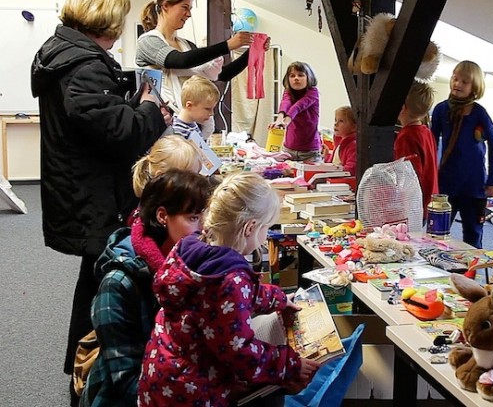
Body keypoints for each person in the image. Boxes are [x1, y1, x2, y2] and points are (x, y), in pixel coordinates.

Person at [30, 0, 169, 402]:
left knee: (93, 284)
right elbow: (120, 134)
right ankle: (90, 376)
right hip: (92, 195)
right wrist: (149, 109)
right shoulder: (84, 66)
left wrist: (126, 98)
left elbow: (94, 120)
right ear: (105, 23)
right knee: (101, 287)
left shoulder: (62, 55)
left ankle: (83, 368)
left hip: (80, 188)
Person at [138, 172, 320, 406]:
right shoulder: (231, 279)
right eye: (266, 228)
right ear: (250, 228)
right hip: (194, 389)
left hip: (163, 372)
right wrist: (289, 364)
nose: (265, 238)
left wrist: (278, 298)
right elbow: (240, 352)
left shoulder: (190, 248)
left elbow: (234, 297)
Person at [80, 170, 212, 407]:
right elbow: (127, 382)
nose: (203, 229)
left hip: (179, 384)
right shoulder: (118, 284)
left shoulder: (189, 264)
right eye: (193, 218)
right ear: (163, 216)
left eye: (205, 218)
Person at [136, 0, 270, 139]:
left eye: (190, 9)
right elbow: (178, 60)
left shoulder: (186, 45)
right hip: (161, 125)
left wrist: (251, 53)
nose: (188, 14)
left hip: (189, 126)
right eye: (184, 7)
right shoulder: (148, 42)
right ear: (165, 6)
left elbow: (222, 75)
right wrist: (228, 45)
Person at [431, 60, 493, 248]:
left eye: (464, 81)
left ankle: (468, 275)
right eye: (455, 78)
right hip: (446, 184)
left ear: (475, 86)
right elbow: (431, 143)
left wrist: (492, 180)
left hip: (474, 186)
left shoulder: (479, 113)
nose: (458, 84)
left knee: (473, 237)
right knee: (437, 234)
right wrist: (431, 178)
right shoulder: (440, 110)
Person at [393, 81, 439, 220]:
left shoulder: (406, 137)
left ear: (402, 108)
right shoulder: (426, 131)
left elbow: (409, 175)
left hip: (416, 204)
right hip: (430, 198)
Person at [271, 61, 321, 162]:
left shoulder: (313, 93)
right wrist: (279, 120)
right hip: (289, 149)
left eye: (300, 75)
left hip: (310, 152)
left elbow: (298, 107)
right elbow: (285, 103)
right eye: (292, 76)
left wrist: (286, 122)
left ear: (309, 77)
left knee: (309, 177)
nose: (296, 78)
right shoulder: (288, 92)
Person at [131, 135, 202, 199]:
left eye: (197, 174)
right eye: (190, 179)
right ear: (162, 178)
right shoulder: (156, 210)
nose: (196, 183)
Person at [324, 105, 357, 176]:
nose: (336, 124)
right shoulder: (339, 142)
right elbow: (334, 162)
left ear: (354, 127)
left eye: (341, 121)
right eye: (335, 120)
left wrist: (334, 172)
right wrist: (326, 156)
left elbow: (351, 169)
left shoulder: (353, 146)